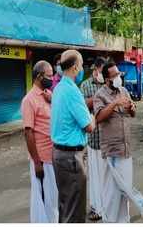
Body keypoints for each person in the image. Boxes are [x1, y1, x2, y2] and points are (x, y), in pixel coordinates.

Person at [94, 62, 143, 222]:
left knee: (124, 191)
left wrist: (131, 107)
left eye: (118, 74)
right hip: (112, 150)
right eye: (114, 75)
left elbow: (132, 113)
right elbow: (99, 117)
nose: (118, 78)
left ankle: (123, 220)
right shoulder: (100, 95)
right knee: (111, 192)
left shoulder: (123, 90)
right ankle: (110, 221)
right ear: (107, 79)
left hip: (125, 149)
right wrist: (114, 103)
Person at [51, 50, 95, 223]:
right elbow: (89, 126)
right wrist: (93, 116)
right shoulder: (72, 91)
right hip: (71, 158)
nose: (82, 68)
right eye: (82, 64)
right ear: (76, 66)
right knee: (75, 211)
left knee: (65, 206)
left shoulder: (59, 88)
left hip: (59, 155)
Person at [21, 60, 58, 223]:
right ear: (38, 76)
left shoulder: (48, 95)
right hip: (42, 159)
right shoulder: (29, 100)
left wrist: (52, 100)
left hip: (54, 155)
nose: (52, 78)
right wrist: (37, 162)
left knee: (53, 199)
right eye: (49, 76)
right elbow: (28, 133)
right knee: (44, 200)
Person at [79, 56, 106, 221]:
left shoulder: (108, 83)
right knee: (95, 176)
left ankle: (108, 205)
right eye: (102, 69)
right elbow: (82, 105)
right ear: (96, 69)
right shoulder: (85, 85)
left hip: (108, 139)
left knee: (107, 176)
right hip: (93, 139)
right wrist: (97, 96)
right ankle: (96, 207)